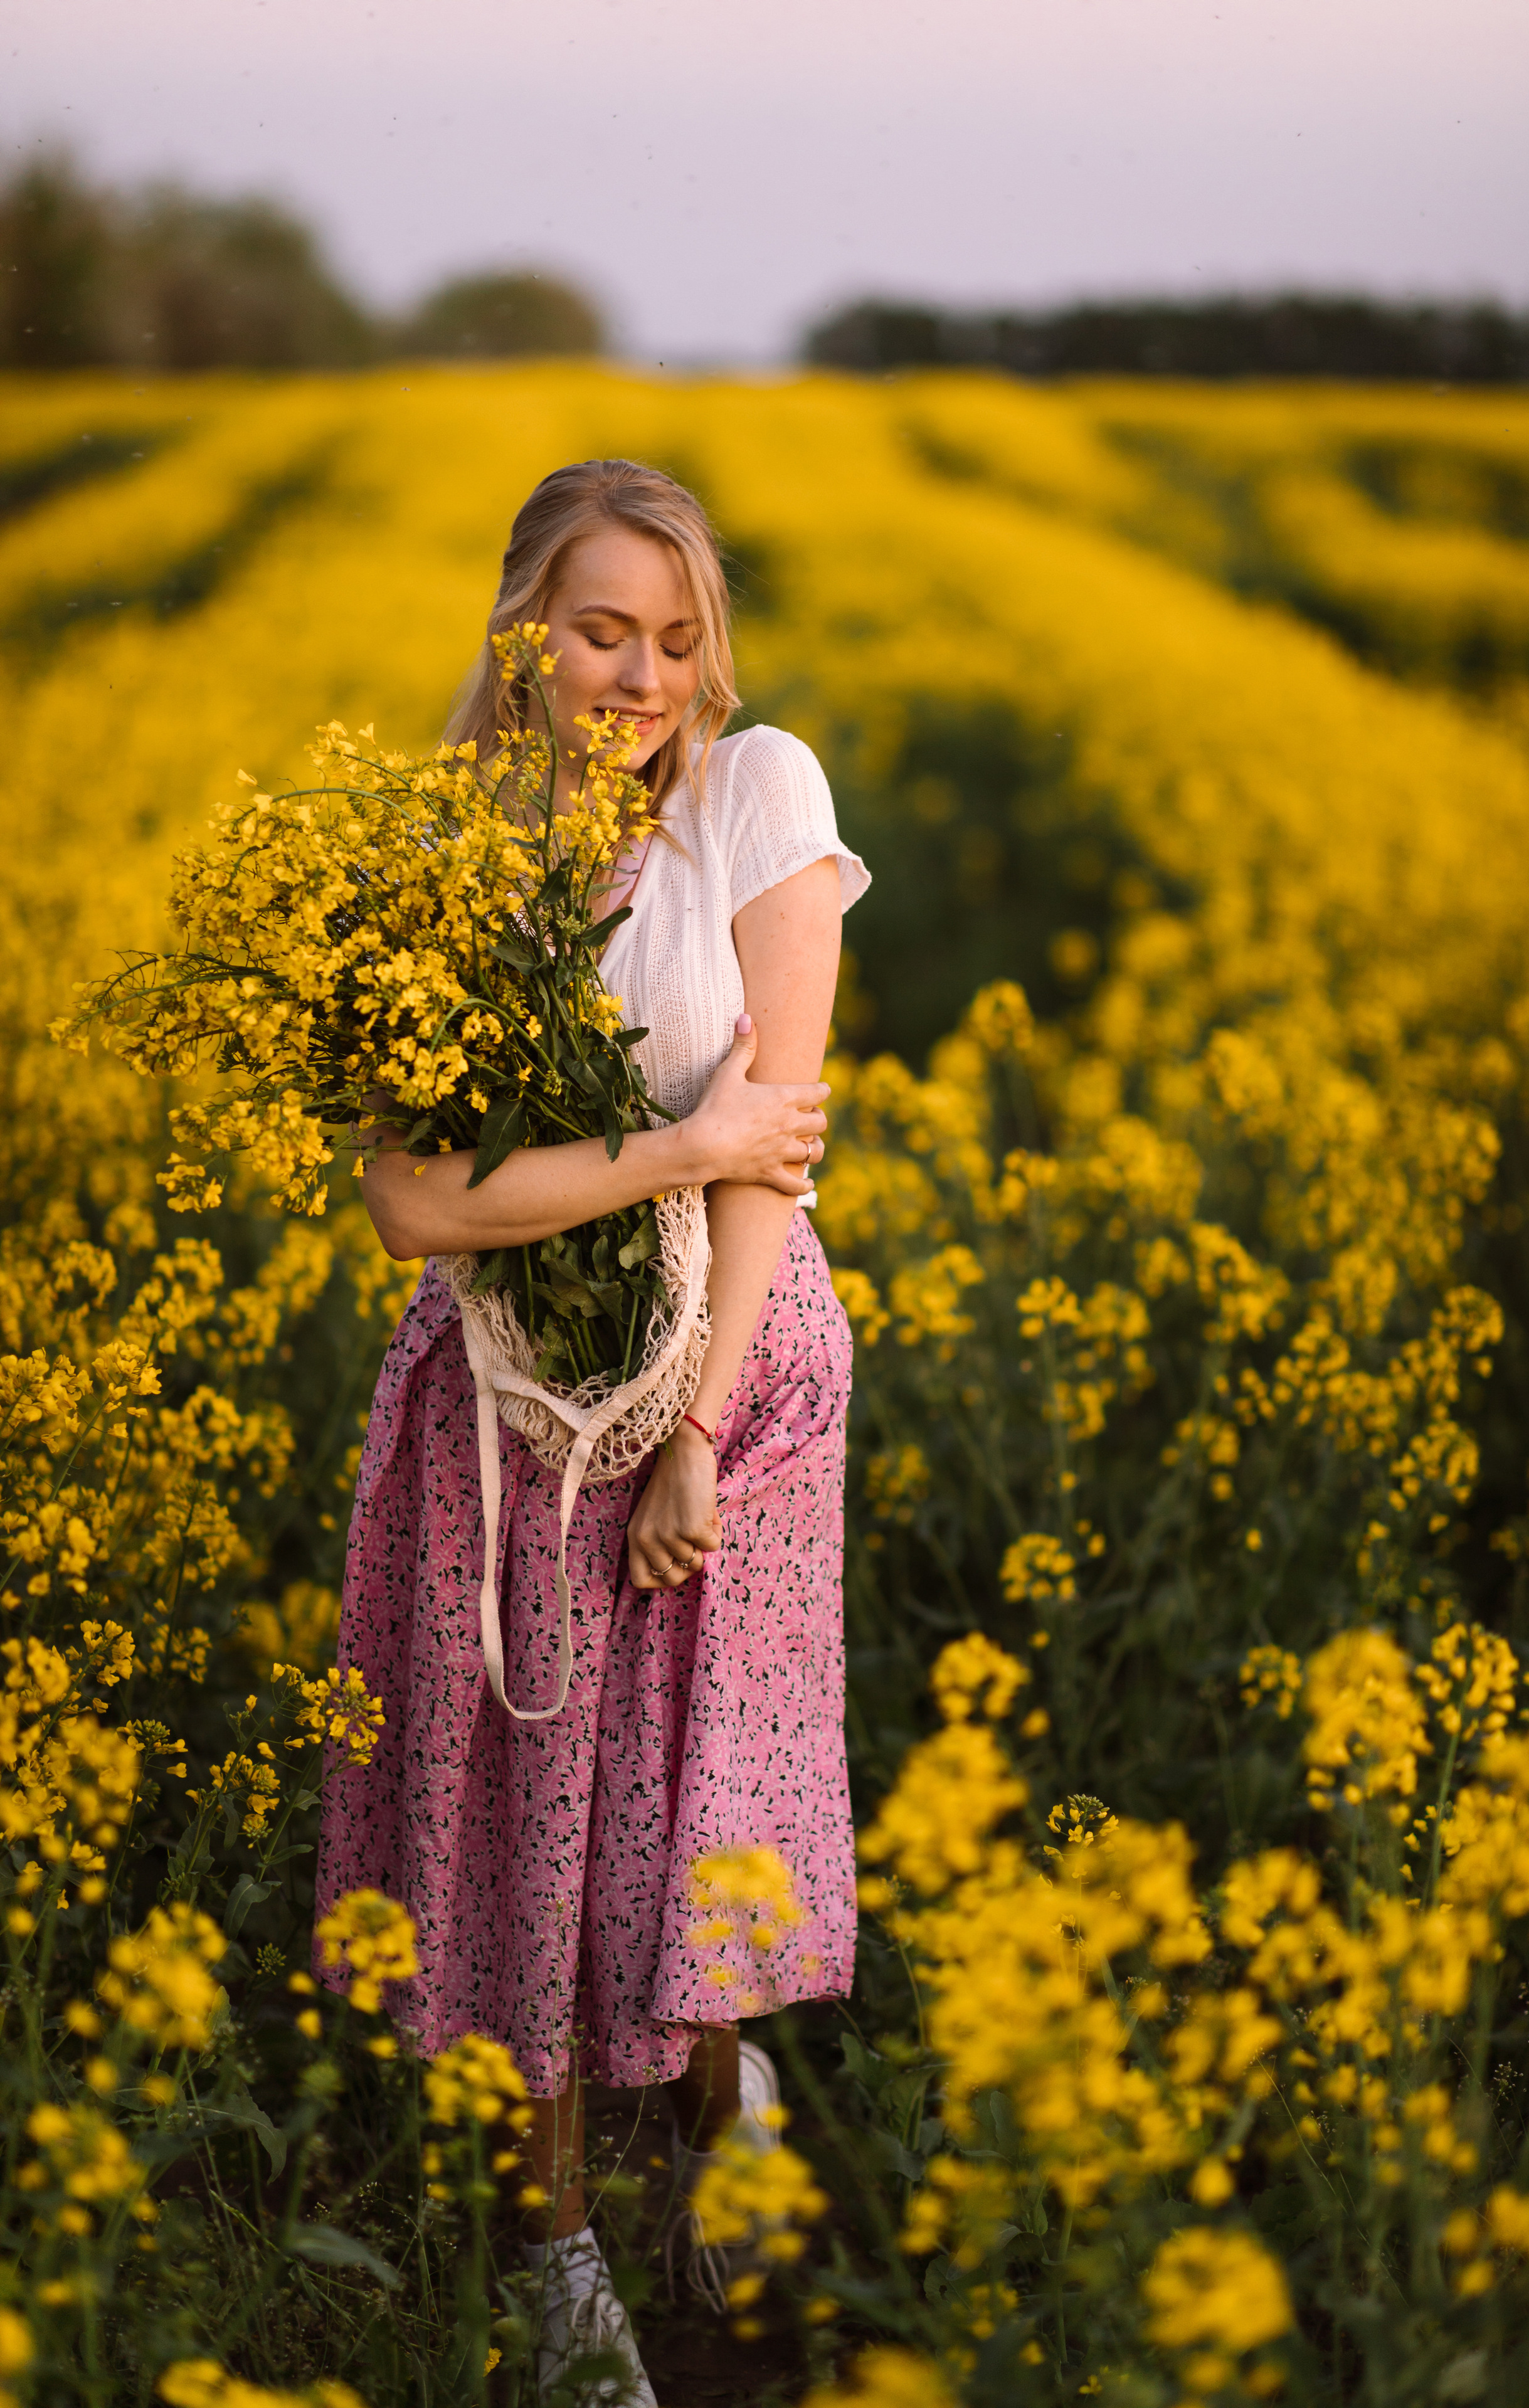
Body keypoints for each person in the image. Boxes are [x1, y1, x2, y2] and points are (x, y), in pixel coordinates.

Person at [314, 458, 868, 2402]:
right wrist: (677, 1138)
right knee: (531, 1828)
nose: (638, 675)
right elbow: (419, 1207)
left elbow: (772, 1150)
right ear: (522, 633)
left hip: (736, 1364)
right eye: (597, 629)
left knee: (685, 1815)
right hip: (508, 1388)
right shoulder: (441, 863)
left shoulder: (757, 793)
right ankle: (555, 2256)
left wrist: (699, 1426)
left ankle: (731, 2120)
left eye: (672, 636)